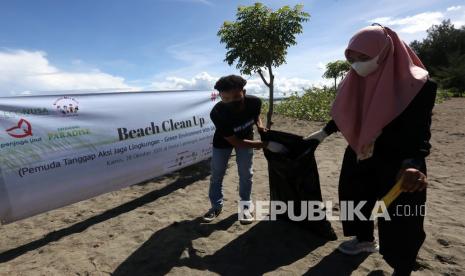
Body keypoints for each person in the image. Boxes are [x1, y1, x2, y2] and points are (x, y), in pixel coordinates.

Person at [305, 24, 436, 275]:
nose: (356, 65)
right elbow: (348, 111)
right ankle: (364, 239)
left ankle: (402, 266)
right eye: (351, 59)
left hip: (398, 161)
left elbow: (421, 130)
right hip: (360, 151)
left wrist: (413, 163)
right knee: (355, 199)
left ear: (385, 51)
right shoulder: (356, 79)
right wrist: (324, 132)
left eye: (363, 58)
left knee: (401, 218)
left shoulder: (419, 85)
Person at [203, 75, 284, 224]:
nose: (231, 102)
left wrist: (259, 125)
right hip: (223, 142)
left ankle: (245, 207)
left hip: (247, 137)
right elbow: (235, 141)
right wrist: (263, 145)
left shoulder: (254, 102)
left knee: (246, 174)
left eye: (236, 97)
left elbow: (256, 115)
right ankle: (216, 206)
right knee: (217, 175)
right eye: (225, 99)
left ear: (244, 92)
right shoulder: (217, 113)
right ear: (220, 96)